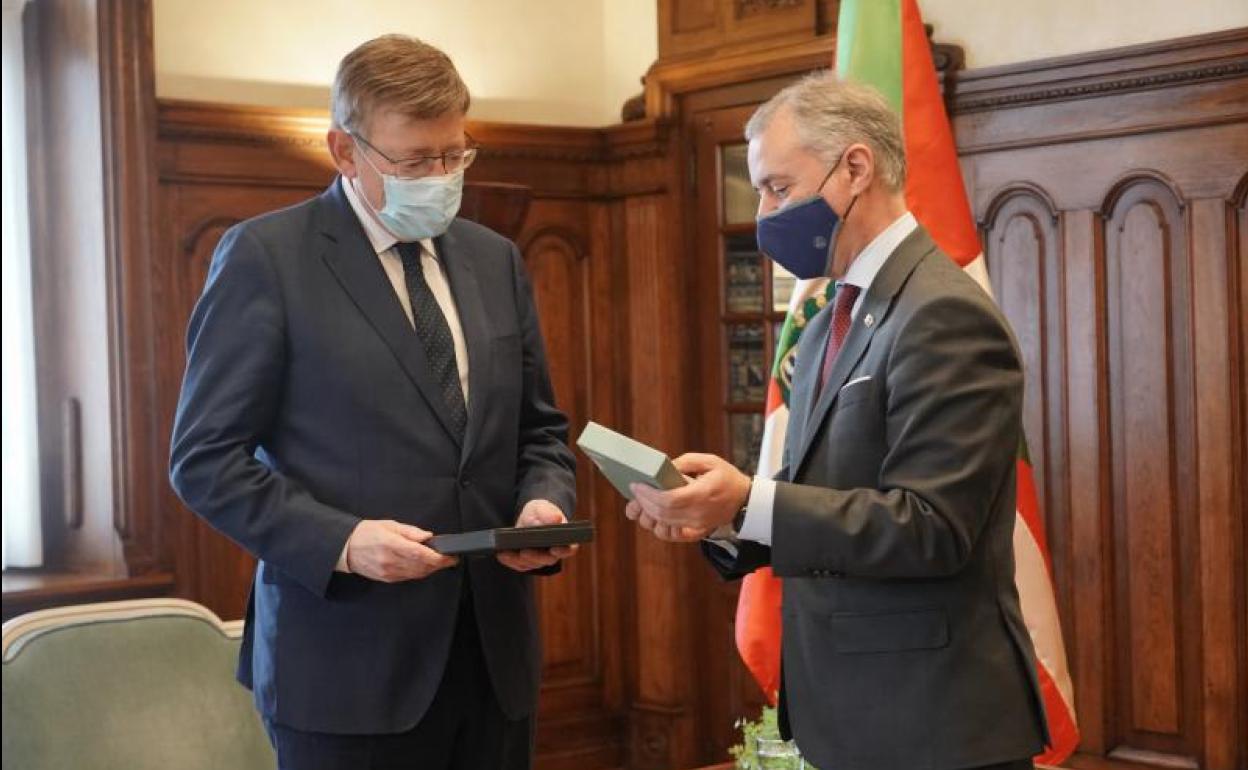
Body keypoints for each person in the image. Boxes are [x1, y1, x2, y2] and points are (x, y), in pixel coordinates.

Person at [169, 34, 577, 770]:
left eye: (456, 154)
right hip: (343, 670)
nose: (442, 177)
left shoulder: (494, 258)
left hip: (493, 662)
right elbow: (204, 461)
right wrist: (344, 542)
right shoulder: (266, 258)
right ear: (343, 149)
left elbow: (538, 430)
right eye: (416, 161)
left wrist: (540, 504)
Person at [625, 72, 1050, 770]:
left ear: (856, 167)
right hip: (850, 717)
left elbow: (932, 527)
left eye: (778, 188)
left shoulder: (943, 313)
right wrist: (721, 515)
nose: (764, 213)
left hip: (934, 725)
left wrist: (751, 499)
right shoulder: (829, 322)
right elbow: (820, 490)